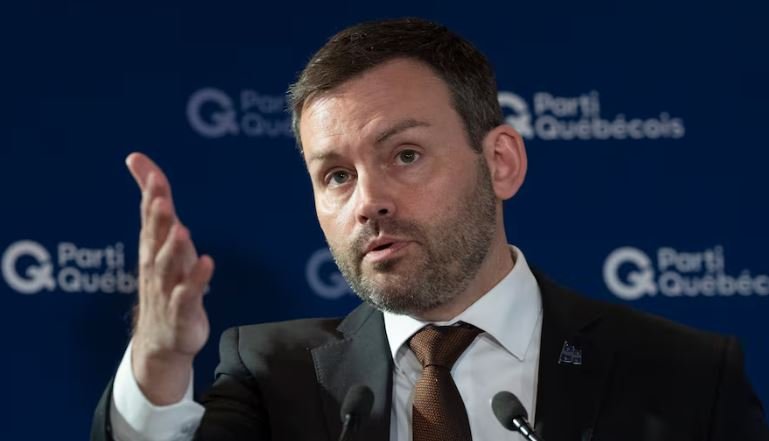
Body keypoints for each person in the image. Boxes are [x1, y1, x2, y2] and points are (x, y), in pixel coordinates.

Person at [91, 17, 769, 441]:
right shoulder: (271, 376)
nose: (369, 201)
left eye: (405, 155)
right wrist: (157, 365)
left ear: (499, 162)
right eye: (336, 175)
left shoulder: (685, 375)